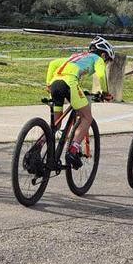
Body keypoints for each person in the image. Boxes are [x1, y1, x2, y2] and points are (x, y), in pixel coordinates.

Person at [46, 36, 114, 169]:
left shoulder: (76, 56)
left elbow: (53, 63)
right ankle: (73, 150)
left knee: (56, 124)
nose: (105, 63)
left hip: (55, 83)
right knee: (87, 117)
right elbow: (101, 75)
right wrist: (105, 93)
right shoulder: (98, 59)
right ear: (103, 55)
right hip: (69, 84)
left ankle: (39, 145)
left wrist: (48, 84)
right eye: (107, 61)